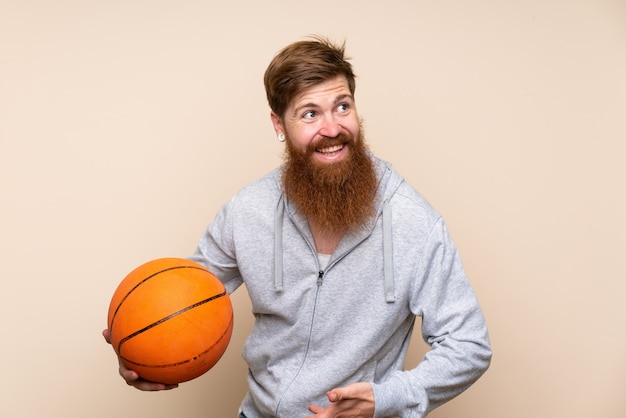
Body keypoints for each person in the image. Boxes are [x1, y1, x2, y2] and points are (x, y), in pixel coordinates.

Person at [103, 36, 491, 418]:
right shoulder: (247, 210)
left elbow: (468, 345)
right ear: (279, 124)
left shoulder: (414, 222)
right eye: (310, 114)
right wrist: (145, 352)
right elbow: (185, 297)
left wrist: (387, 397)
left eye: (343, 106)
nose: (333, 128)